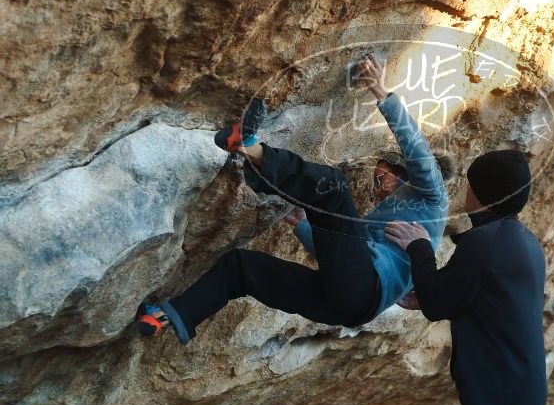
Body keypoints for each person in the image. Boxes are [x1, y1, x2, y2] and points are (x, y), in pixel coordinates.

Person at [136, 53, 451, 344]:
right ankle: (163, 316)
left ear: (407, 175)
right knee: (242, 267)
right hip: (347, 307)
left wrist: (382, 92)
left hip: (363, 290)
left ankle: (248, 147)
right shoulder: (396, 223)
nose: (379, 189)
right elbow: (340, 264)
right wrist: (303, 226)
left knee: (334, 186)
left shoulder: (434, 198)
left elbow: (417, 150)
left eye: (383, 179)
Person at [384, 149, 547, 405]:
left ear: (482, 195)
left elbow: (438, 303)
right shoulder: (526, 242)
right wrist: (432, 293)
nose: (466, 192)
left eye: (471, 185)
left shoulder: (483, 242)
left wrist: (419, 247)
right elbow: (479, 296)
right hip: (520, 396)